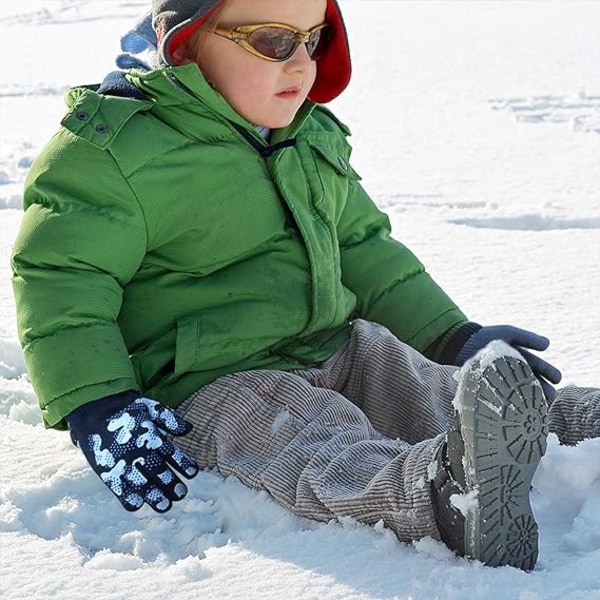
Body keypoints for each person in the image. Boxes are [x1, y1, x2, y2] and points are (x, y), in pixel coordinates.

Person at [10, 0, 599, 572]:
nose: (300, 63)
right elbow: (62, 276)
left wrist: (448, 335)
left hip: (333, 343)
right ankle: (438, 497)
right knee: (317, 448)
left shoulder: (308, 134)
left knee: (428, 387)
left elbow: (364, 249)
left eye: (313, 39)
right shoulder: (118, 149)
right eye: (273, 41)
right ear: (186, 41)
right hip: (214, 383)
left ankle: (566, 424)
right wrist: (97, 399)